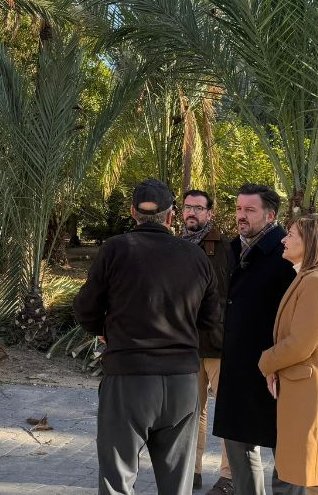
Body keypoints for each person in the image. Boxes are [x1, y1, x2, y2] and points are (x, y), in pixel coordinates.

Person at [74, 178, 225, 495]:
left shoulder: (115, 249)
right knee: (178, 485)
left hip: (129, 379)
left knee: (117, 481)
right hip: (182, 383)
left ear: (133, 212)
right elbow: (211, 319)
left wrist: (106, 331)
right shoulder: (196, 257)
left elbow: (86, 309)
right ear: (171, 215)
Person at [212, 184, 295, 495]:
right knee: (238, 447)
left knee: (284, 451)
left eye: (249, 210)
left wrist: (276, 362)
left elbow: (293, 319)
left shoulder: (286, 253)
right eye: (238, 209)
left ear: (270, 215)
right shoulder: (233, 248)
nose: (241, 216)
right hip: (236, 364)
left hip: (272, 369)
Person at [258, 216, 318, 495]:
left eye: (292, 235)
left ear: (311, 243)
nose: (284, 240)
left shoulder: (316, 283)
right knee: (311, 473)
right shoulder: (307, 279)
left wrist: (266, 362)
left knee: (315, 474)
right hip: (305, 389)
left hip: (313, 392)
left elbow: (300, 344)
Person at [180, 190, 232, 495]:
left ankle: (229, 475)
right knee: (191, 410)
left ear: (209, 213)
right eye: (188, 207)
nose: (192, 212)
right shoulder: (175, 245)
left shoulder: (224, 246)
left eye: (198, 208)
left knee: (227, 410)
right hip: (187, 342)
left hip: (218, 342)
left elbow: (228, 294)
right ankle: (193, 470)